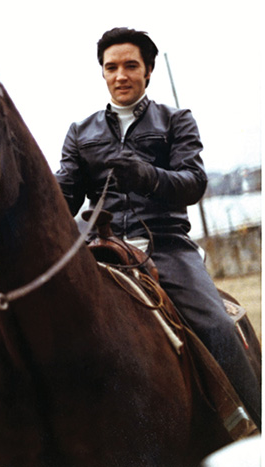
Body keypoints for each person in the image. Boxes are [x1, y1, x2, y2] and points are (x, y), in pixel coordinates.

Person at [55, 27, 261, 429]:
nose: (120, 75)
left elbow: (194, 182)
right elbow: (64, 197)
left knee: (217, 325)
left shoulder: (176, 121)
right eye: (111, 67)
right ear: (102, 73)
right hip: (101, 246)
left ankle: (253, 427)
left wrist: (146, 175)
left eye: (130, 66)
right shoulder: (80, 133)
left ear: (148, 71)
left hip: (165, 247)